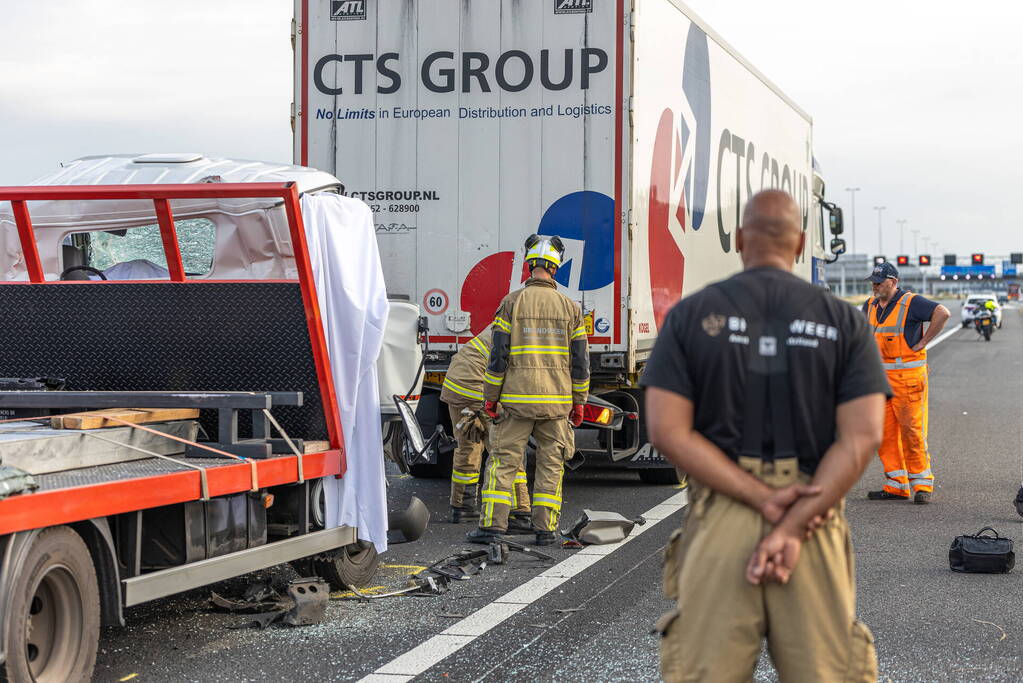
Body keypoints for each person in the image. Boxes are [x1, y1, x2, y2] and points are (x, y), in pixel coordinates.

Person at [643, 189, 888, 681]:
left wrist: (760, 499)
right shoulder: (844, 322)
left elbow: (667, 429)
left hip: (722, 514)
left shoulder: (692, 316)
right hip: (813, 512)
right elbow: (863, 438)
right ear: (800, 244)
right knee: (828, 671)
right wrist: (793, 521)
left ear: (738, 240)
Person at [469, 234, 589, 546]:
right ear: (556, 268)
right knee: (551, 465)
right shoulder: (571, 308)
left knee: (503, 461)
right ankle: (545, 530)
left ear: (529, 265)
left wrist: (490, 398)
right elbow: (580, 362)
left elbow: (498, 357)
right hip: (557, 403)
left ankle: (492, 528)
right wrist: (580, 402)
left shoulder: (511, 303)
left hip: (516, 401)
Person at [862, 261, 950, 503]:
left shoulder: (911, 302)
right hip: (879, 380)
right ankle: (896, 484)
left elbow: (942, 313)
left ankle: (922, 484)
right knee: (884, 433)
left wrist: (923, 343)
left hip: (907, 379)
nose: (875, 286)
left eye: (879, 282)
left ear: (893, 282)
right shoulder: (869, 305)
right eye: (873, 282)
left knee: (911, 431)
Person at [439, 324, 532, 528]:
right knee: (506, 449)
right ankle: (519, 512)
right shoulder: (524, 334)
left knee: (468, 445)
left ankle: (462, 508)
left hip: (456, 386)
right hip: (478, 387)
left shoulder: (501, 326)